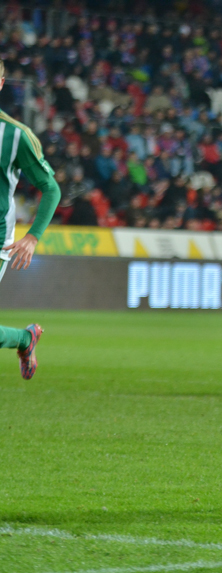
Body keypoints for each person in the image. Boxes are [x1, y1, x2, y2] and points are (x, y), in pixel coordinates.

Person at [0, 60, 62, 378]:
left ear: (0, 83)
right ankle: (25, 339)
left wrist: (33, 235)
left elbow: (51, 189)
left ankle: (25, 340)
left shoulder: (15, 135)